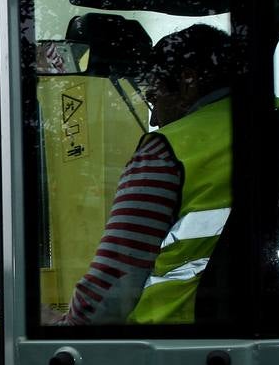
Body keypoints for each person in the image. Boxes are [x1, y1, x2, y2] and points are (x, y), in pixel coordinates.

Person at [61, 23, 233, 325]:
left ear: (188, 80)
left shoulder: (168, 150)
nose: (154, 118)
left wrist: (65, 328)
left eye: (154, 98)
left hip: (173, 342)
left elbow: (113, 282)